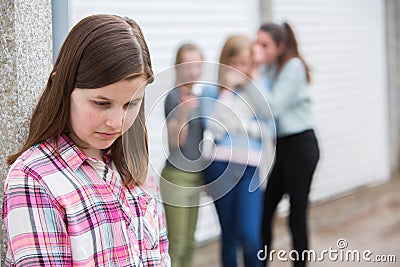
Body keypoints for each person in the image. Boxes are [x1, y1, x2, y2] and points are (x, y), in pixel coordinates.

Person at [2, 14, 170, 266]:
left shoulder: (137, 165)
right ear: (63, 87)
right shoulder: (34, 178)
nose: (117, 121)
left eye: (131, 104)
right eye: (101, 103)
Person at [202, 35, 272, 267]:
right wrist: (227, 90)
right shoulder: (211, 92)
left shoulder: (256, 92)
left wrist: (242, 126)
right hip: (219, 168)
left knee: (250, 236)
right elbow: (212, 127)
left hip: (250, 169)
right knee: (230, 236)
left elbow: (269, 127)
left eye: (244, 63)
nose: (238, 69)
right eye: (233, 63)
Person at [254, 22, 320, 267]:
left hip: (301, 146)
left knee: (296, 215)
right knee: (265, 210)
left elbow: (272, 107)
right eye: (256, 42)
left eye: (264, 45)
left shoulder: (293, 67)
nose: (257, 49)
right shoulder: (270, 68)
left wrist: (256, 74)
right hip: (282, 148)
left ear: (280, 47)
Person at [159, 43, 205, 267]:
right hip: (176, 178)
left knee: (190, 243)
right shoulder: (174, 97)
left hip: (195, 178)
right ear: (177, 67)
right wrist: (184, 112)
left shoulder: (199, 97)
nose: (192, 71)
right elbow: (175, 142)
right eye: (187, 65)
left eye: (197, 65)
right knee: (177, 245)